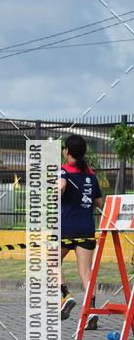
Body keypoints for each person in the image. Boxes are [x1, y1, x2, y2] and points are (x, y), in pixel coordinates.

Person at [60, 134, 103, 329]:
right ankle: (91, 311)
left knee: (52, 262)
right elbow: (99, 202)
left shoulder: (63, 170)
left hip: (66, 227)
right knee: (86, 272)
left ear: (67, 151)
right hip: (86, 227)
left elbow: (60, 187)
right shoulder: (91, 174)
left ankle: (65, 296)